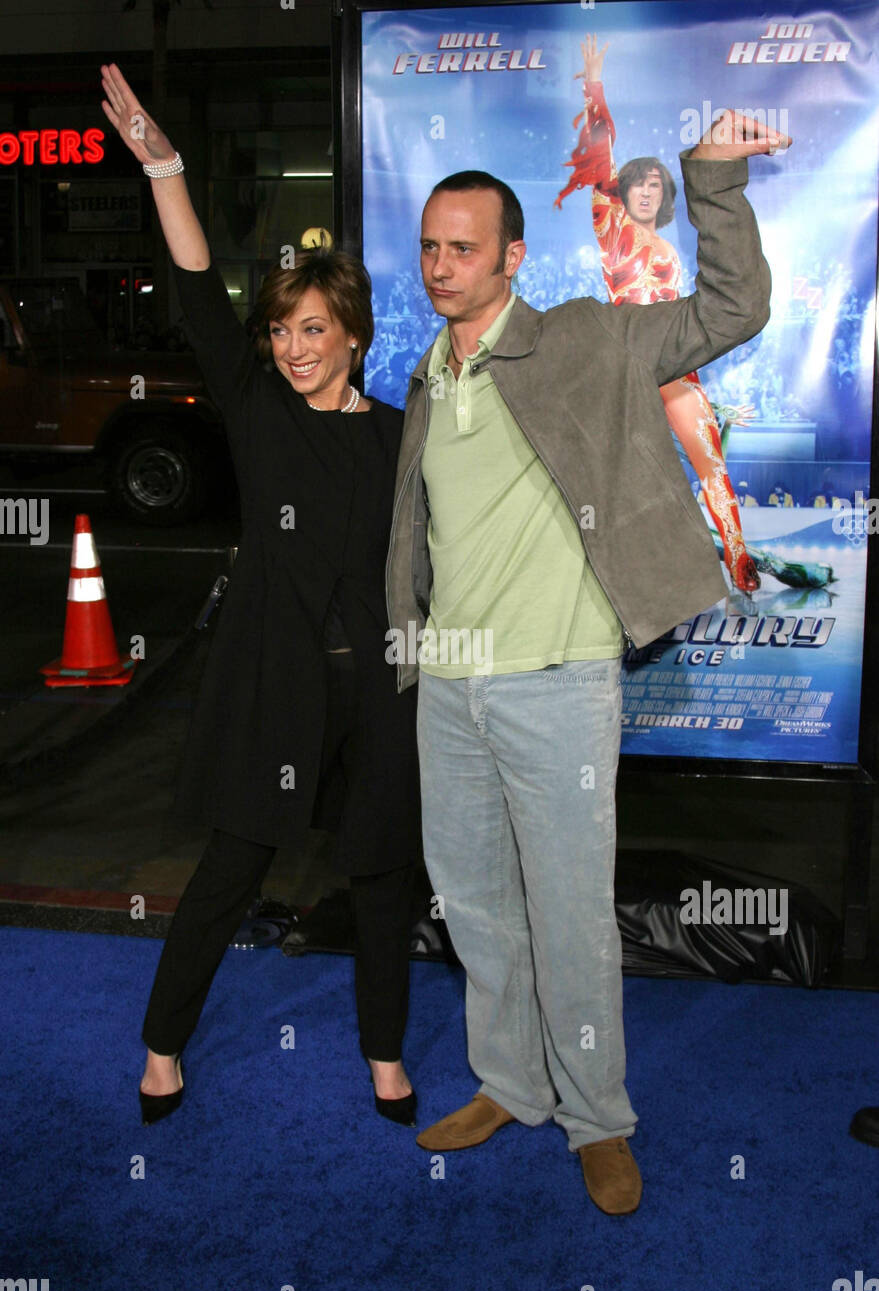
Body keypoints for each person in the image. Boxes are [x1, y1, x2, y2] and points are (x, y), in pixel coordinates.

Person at [385, 107, 788, 1213]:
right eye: (429, 246)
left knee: (569, 914)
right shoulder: (426, 376)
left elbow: (731, 308)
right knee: (474, 906)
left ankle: (596, 1116)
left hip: (559, 682)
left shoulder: (585, 339)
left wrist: (713, 179)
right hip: (453, 686)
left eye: (463, 248)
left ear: (514, 256)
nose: (441, 267)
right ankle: (511, 1083)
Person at [100, 64, 421, 1128]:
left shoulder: (395, 436)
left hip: (377, 690)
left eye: (312, 330)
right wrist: (165, 164)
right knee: (233, 867)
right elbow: (197, 288)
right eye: (282, 330)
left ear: (354, 336)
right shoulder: (256, 411)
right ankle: (160, 1049)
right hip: (274, 683)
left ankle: (384, 1057)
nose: (291, 349)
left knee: (379, 872)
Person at [556, 35, 760, 595]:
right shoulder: (611, 226)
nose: (647, 189)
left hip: (675, 368)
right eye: (638, 181)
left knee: (711, 464)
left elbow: (702, 322)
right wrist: (594, 88)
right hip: (623, 362)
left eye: (657, 183)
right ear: (623, 189)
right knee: (607, 482)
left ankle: (739, 560)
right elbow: (598, 150)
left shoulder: (669, 248)